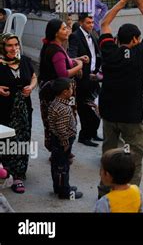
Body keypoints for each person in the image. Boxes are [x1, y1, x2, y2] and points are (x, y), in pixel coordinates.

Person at [98, 0, 143, 198]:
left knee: (108, 156)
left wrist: (122, 1)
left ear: (118, 39)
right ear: (134, 40)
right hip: (131, 116)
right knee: (134, 159)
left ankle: (104, 196)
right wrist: (140, 5)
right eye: (138, 39)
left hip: (109, 114)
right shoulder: (139, 53)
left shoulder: (109, 51)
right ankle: (129, 198)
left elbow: (104, 23)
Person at [38, 19, 85, 152]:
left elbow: (65, 62)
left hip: (54, 93)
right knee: (62, 123)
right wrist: (80, 65)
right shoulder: (56, 50)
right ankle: (61, 152)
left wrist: (77, 60)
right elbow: (63, 73)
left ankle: (60, 151)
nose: (67, 31)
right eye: (64, 29)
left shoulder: (56, 46)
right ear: (56, 33)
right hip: (58, 95)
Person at [0, 33, 37, 194]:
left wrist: (32, 87)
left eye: (16, 44)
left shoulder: (25, 60)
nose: (14, 48)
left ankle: (18, 176)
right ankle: (5, 171)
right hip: (4, 108)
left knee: (22, 139)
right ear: (2, 47)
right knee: (6, 140)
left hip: (23, 107)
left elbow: (34, 77)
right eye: (9, 45)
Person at [68, 14, 102, 147]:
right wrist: (81, 60)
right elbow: (72, 56)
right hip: (83, 78)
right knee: (85, 108)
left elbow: (97, 53)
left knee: (97, 105)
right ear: (81, 22)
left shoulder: (93, 34)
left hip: (94, 76)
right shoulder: (75, 36)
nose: (91, 25)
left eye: (92, 22)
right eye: (88, 22)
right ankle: (84, 136)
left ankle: (93, 132)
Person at [48, 78, 83, 200]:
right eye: (71, 88)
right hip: (62, 141)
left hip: (56, 139)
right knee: (63, 167)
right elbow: (61, 128)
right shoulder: (63, 108)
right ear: (65, 92)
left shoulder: (56, 103)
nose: (73, 90)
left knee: (56, 165)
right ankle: (64, 191)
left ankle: (58, 187)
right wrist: (65, 142)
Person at [95, 148, 143, 213]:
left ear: (107, 175)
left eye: (101, 169)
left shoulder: (105, 202)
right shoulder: (137, 191)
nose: (100, 173)